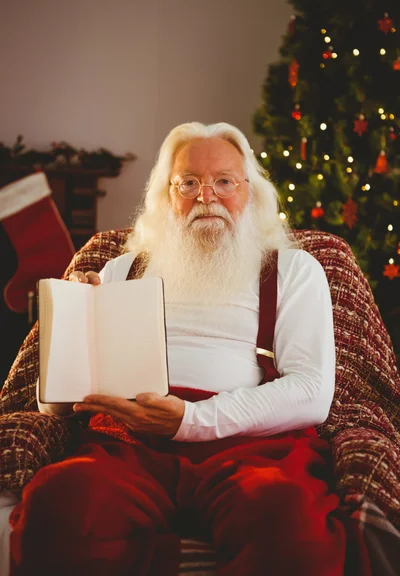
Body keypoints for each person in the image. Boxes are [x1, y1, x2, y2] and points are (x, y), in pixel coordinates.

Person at [8, 122, 359, 576]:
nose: (205, 196)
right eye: (188, 183)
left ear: (250, 193)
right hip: (128, 443)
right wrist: (72, 323)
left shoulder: (295, 269)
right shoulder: (120, 269)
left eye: (224, 182)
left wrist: (191, 421)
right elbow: (55, 407)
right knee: (58, 508)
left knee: (291, 524)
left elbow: (313, 392)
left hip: (254, 447)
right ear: (167, 196)